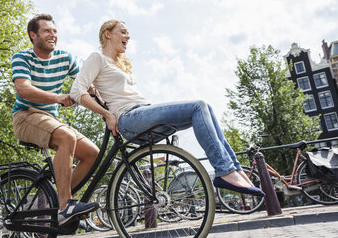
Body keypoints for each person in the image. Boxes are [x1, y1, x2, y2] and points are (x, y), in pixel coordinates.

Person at [70, 20, 265, 197]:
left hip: (140, 112)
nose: (128, 36)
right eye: (123, 32)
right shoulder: (97, 57)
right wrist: (106, 114)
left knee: (207, 109)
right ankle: (225, 171)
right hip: (128, 118)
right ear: (107, 34)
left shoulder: (120, 65)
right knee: (199, 106)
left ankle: (235, 170)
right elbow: (77, 91)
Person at [11, 14, 99, 225]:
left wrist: (108, 106)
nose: (53, 35)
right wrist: (58, 97)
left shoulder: (65, 58)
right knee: (66, 137)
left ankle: (58, 196)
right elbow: (23, 89)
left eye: (55, 31)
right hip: (26, 116)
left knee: (92, 154)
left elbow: (86, 85)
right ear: (34, 35)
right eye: (47, 31)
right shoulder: (22, 57)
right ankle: (65, 205)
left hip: (50, 119)